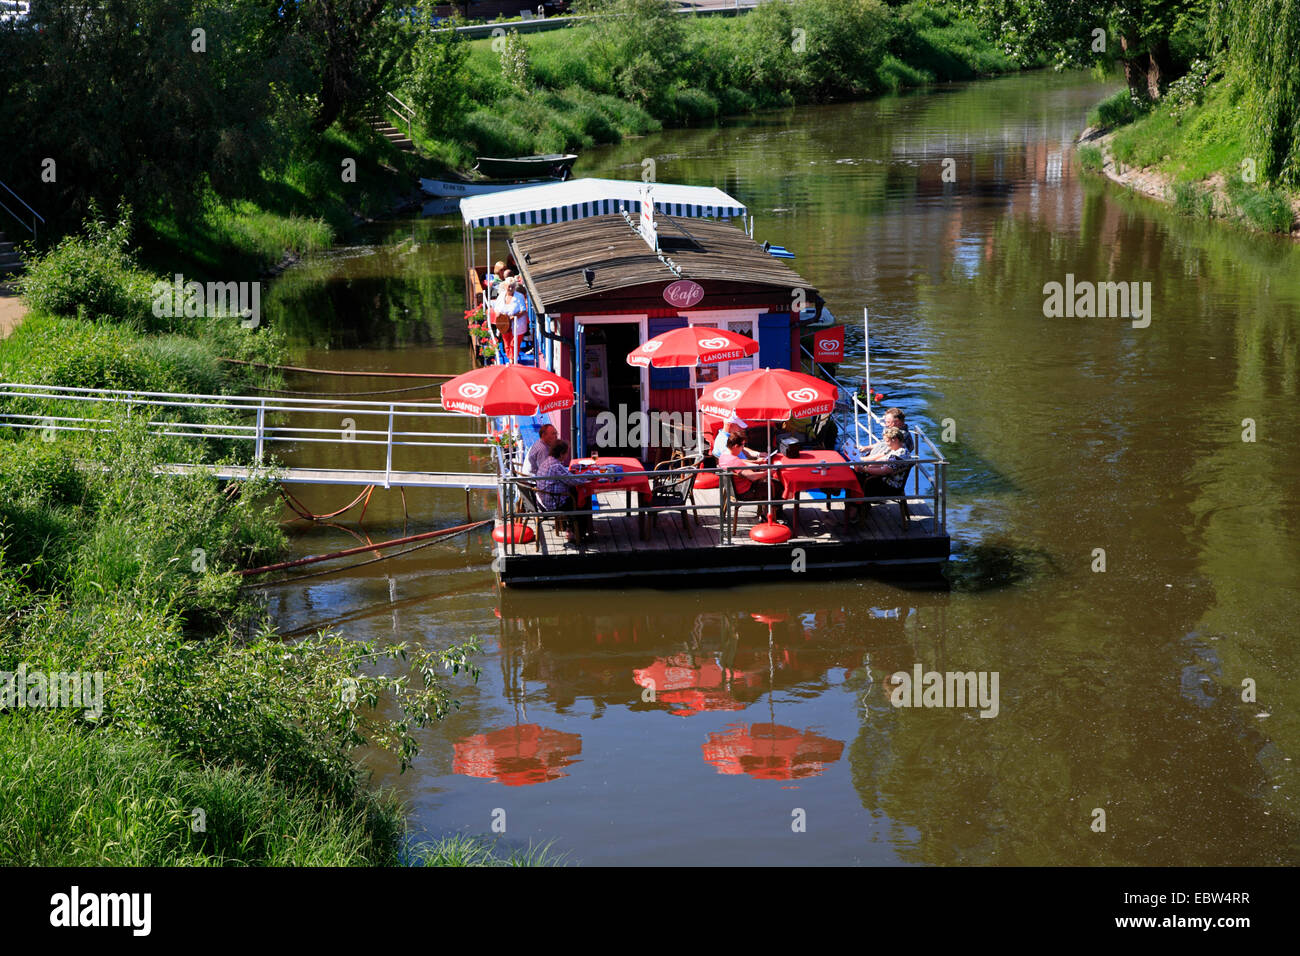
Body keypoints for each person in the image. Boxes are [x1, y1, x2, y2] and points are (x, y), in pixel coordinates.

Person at [849, 426, 912, 521]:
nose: (885, 443)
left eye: (887, 441)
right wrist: (861, 461)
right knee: (857, 476)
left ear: (894, 439)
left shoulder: (899, 454)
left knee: (857, 481)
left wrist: (865, 470)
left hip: (890, 486)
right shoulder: (896, 449)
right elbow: (881, 459)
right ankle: (858, 508)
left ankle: (854, 513)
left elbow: (885, 470)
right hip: (886, 479)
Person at [535, 440, 592, 542]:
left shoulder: (548, 461)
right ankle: (579, 533)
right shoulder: (556, 466)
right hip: (553, 503)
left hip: (542, 501)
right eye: (566, 453)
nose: (567, 455)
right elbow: (573, 480)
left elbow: (566, 476)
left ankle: (570, 528)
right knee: (582, 499)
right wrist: (590, 475)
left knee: (575, 492)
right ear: (561, 454)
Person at [719, 433, 774, 519]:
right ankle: (768, 517)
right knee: (774, 488)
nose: (742, 449)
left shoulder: (724, 456)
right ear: (736, 446)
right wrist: (768, 472)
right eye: (742, 446)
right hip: (745, 492)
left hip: (734, 490)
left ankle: (767, 513)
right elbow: (752, 476)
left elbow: (741, 462)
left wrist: (757, 462)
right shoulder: (734, 461)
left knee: (768, 484)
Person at [493, 278, 528, 362]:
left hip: (516, 324)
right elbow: (496, 308)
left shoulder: (519, 296)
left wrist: (512, 317)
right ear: (505, 286)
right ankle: (509, 357)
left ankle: (512, 359)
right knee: (506, 343)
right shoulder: (501, 295)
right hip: (504, 323)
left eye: (512, 287)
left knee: (514, 343)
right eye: (509, 287)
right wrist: (498, 314)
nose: (511, 288)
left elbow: (523, 310)